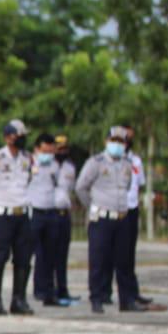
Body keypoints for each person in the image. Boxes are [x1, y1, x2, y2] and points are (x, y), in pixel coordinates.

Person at [75, 126, 137, 314]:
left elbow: (127, 188)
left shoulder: (127, 164)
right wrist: (93, 206)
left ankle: (126, 300)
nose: (117, 145)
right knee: (99, 260)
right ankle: (97, 298)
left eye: (121, 142)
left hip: (122, 217)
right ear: (106, 142)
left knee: (124, 261)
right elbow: (81, 188)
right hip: (101, 218)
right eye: (114, 141)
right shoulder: (96, 162)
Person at [0, 120, 35, 316]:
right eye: (19, 135)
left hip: (22, 213)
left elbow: (29, 181)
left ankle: (18, 300)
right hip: (3, 214)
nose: (22, 139)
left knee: (24, 258)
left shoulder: (27, 158)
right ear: (8, 137)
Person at [26, 133, 67, 307]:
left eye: (51, 151)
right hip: (34, 212)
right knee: (35, 254)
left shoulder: (55, 166)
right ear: (36, 149)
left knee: (50, 255)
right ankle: (38, 290)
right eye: (44, 150)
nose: (48, 154)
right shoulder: (27, 163)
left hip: (51, 213)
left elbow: (59, 187)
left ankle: (50, 293)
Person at [122, 126, 157, 310]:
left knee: (129, 255)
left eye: (130, 137)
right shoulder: (111, 161)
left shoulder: (135, 160)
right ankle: (105, 295)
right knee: (115, 256)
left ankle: (132, 293)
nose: (128, 140)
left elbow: (140, 184)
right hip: (116, 210)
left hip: (132, 208)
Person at [52, 135, 78, 304]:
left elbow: (72, 189)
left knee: (62, 256)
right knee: (46, 256)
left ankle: (63, 289)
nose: (62, 151)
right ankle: (44, 290)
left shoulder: (70, 167)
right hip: (49, 213)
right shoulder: (46, 165)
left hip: (64, 213)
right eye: (59, 148)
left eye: (64, 149)